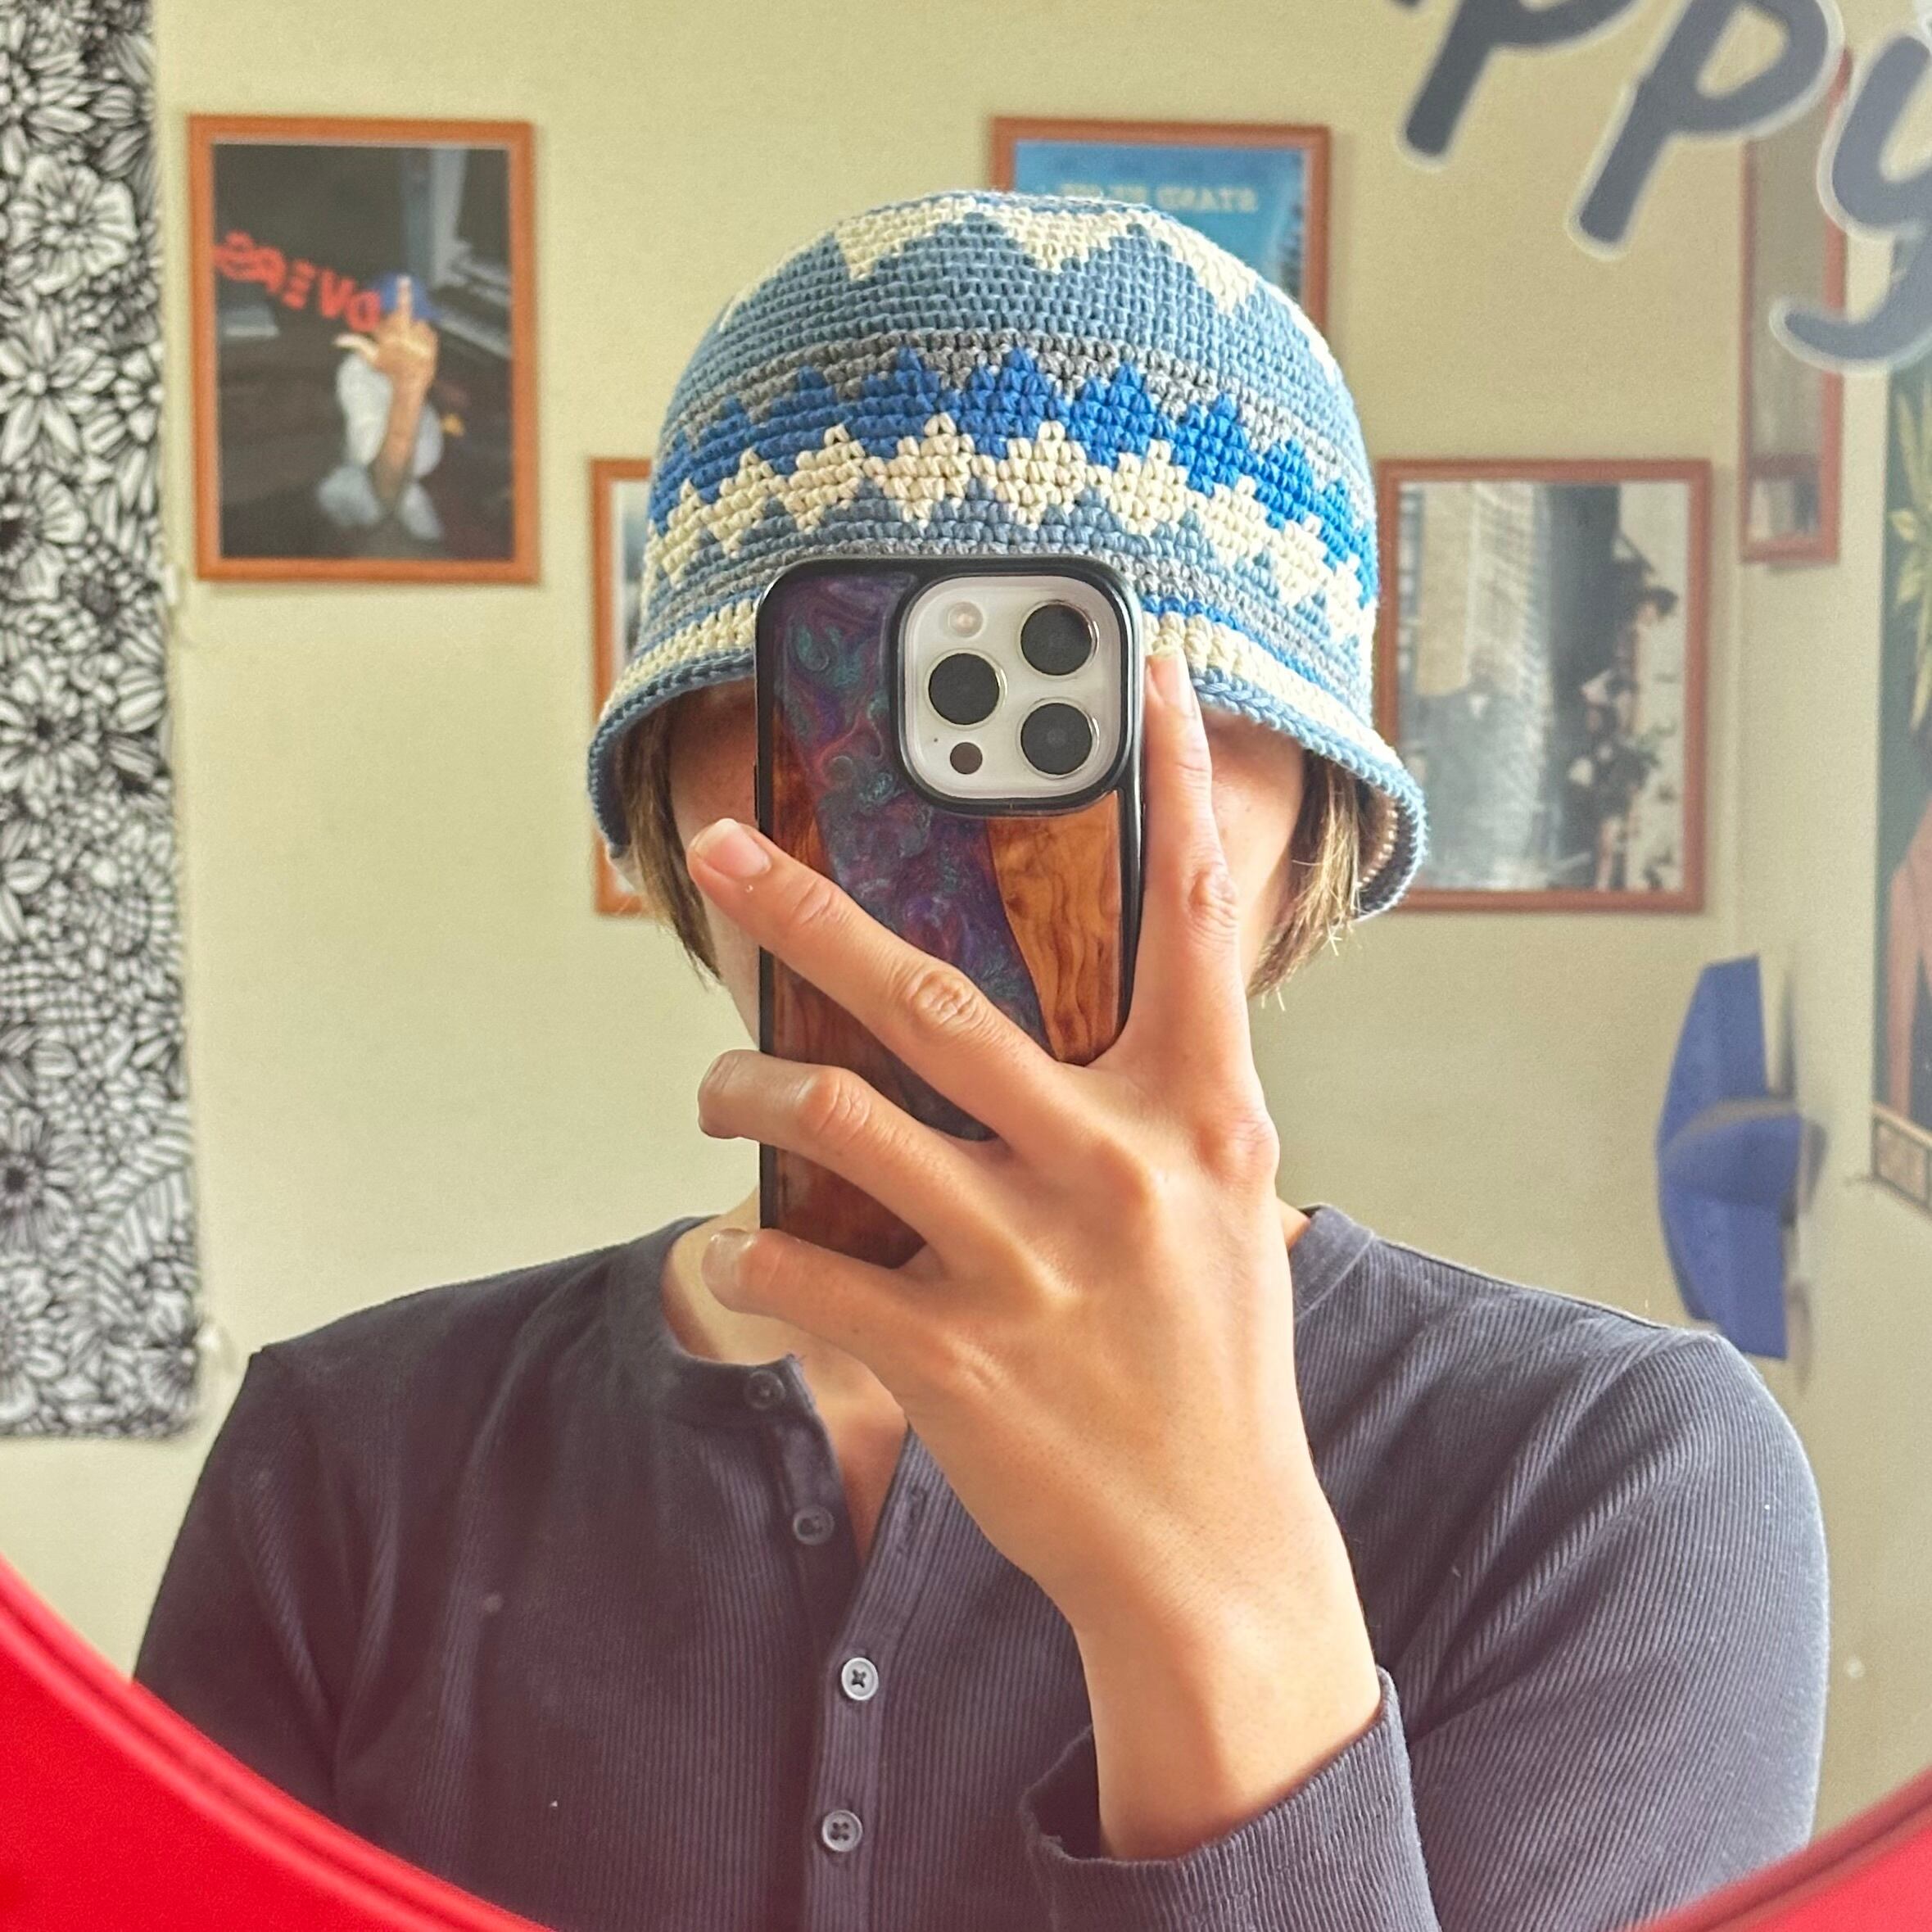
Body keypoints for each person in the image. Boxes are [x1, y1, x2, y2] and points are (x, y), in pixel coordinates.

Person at [135, 191, 1827, 1932]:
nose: (974, 845)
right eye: (829, 716)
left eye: (1104, 728)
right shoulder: (350, 1458)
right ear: (668, 806)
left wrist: (1210, 1586)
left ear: (1313, 824)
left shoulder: (1614, 1486)